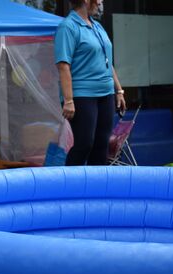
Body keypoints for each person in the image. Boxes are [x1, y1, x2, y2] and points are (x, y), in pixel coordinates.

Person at [54, 0, 126, 166]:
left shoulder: (97, 26)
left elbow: (106, 60)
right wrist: (69, 100)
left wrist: (119, 90)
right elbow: (63, 65)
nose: (101, 2)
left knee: (101, 145)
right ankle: (69, 187)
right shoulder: (68, 26)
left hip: (106, 94)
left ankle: (97, 189)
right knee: (85, 144)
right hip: (82, 95)